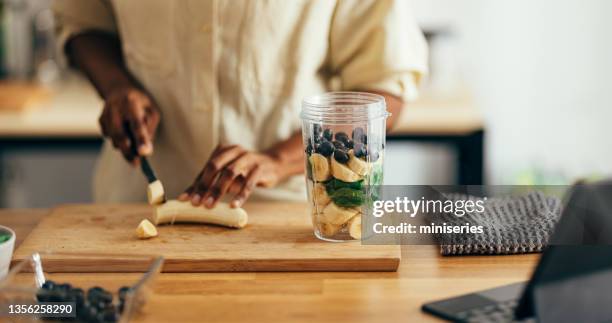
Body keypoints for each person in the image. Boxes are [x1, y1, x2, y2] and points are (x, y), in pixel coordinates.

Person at [53, 0, 427, 208]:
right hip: (136, 203)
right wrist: (117, 87)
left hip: (287, 215)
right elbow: (83, 22)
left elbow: (383, 94)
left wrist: (278, 160)